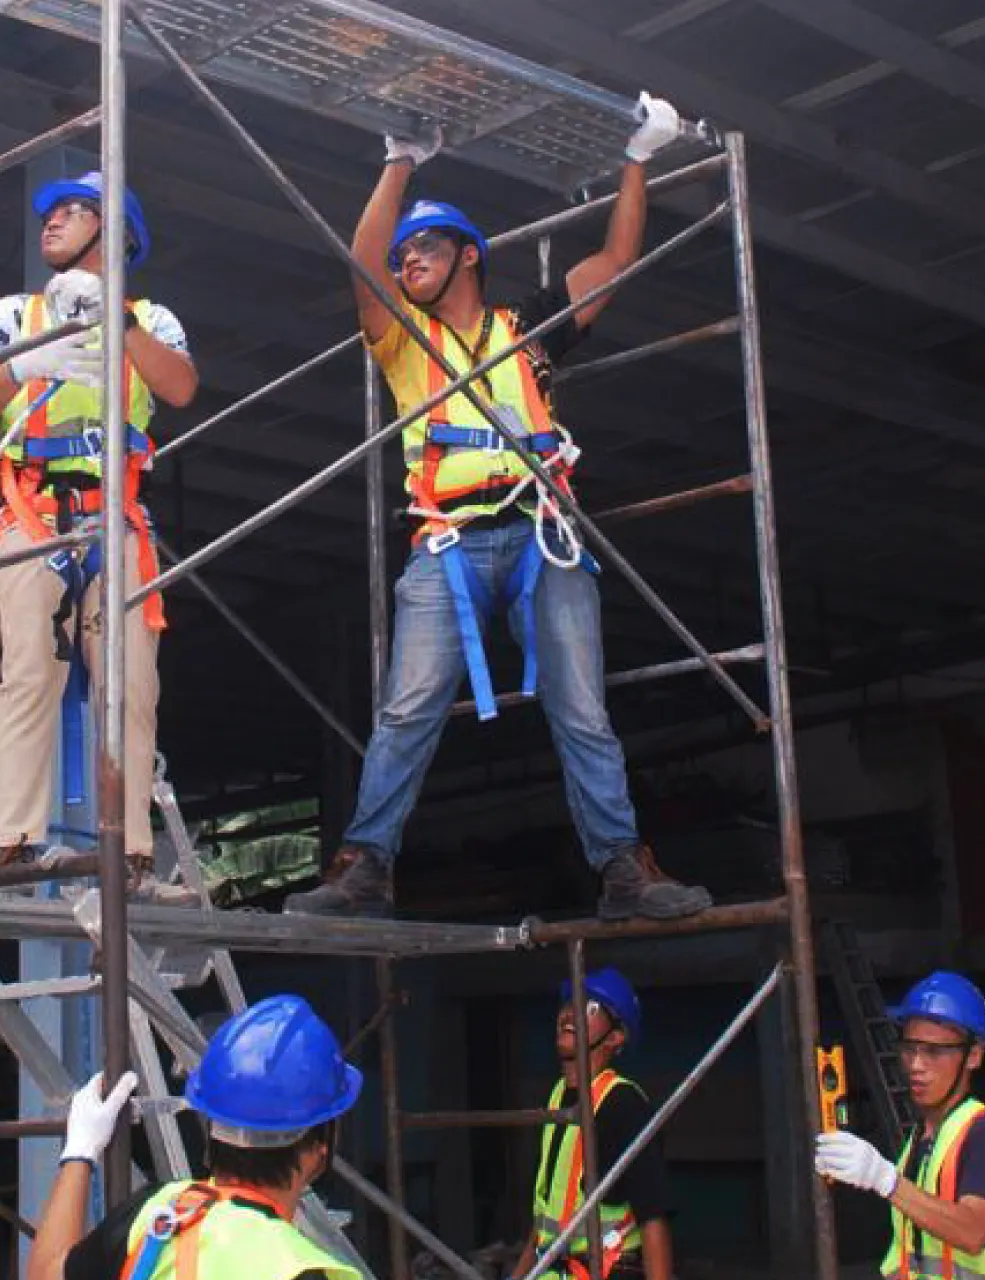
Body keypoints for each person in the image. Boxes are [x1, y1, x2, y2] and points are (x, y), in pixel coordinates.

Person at [284, 96, 712, 921]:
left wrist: (639, 156)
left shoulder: (531, 331)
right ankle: (363, 868)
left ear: (468, 258)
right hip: (447, 546)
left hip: (539, 539)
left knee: (583, 709)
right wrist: (399, 160)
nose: (408, 260)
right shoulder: (404, 341)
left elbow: (615, 259)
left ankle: (626, 870)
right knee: (407, 710)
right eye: (405, 251)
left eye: (427, 247)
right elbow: (361, 262)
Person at [0, 171, 198, 880]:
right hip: (30, 508)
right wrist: (22, 366)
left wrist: (114, 323)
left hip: (114, 515)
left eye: (73, 210)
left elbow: (179, 386)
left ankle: (132, 846)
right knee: (28, 672)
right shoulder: (13, 315)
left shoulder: (151, 320)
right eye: (50, 211)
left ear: (116, 234)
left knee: (130, 682)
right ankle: (15, 838)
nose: (51, 221)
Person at [27, 995, 363, 1280]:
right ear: (318, 1151)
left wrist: (80, 1152)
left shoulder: (158, 1213)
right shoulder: (302, 1269)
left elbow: (46, 1274)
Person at [814, 970, 985, 1280]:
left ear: (974, 1056)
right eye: (909, 1048)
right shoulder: (920, 1139)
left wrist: (887, 1181)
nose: (916, 1065)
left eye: (934, 1051)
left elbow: (972, 1232)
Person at [516, 968, 674, 1280]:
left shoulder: (622, 1104)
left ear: (616, 1037)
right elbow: (546, 1218)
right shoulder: (556, 1097)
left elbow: (652, 1216)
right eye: (566, 1004)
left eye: (588, 1008)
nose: (567, 1015)